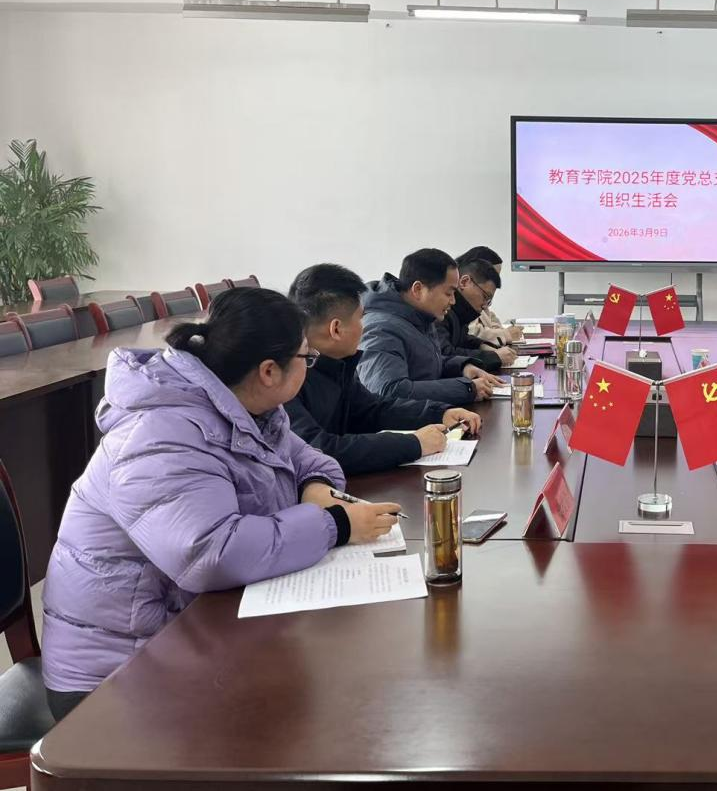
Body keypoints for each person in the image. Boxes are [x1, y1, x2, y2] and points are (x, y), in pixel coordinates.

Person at [40, 288, 401, 719]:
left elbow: (308, 458)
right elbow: (210, 553)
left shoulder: (248, 407)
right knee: (310, 713)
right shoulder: (159, 433)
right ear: (269, 371)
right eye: (307, 358)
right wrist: (335, 525)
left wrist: (317, 488)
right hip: (114, 672)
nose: (310, 366)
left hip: (188, 629)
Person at [286, 264, 482, 474]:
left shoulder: (335, 362)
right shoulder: (286, 377)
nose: (365, 325)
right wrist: (414, 444)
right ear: (336, 329)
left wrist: (439, 413)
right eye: (361, 318)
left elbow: (372, 409)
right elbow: (319, 449)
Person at [358, 248, 502, 406]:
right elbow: (389, 391)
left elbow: (424, 363)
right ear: (418, 289)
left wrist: (462, 367)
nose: (453, 301)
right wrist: (466, 389)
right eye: (448, 293)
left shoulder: (420, 316)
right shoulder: (381, 329)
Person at [448, 257, 515, 369]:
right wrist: (493, 357)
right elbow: (445, 354)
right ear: (464, 282)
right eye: (485, 297)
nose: (485, 306)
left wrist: (481, 345)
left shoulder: (461, 311)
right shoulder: (443, 310)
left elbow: (462, 339)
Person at [455, 246, 523, 346]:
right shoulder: (457, 301)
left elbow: (490, 320)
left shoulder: (477, 298)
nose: (495, 280)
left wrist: (501, 332)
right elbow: (472, 333)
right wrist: (505, 335)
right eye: (492, 274)